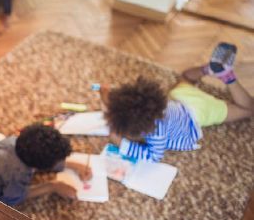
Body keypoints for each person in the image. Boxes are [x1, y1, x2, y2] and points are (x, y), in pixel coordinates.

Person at [100, 42, 253, 163]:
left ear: (142, 132)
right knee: (186, 77)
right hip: (180, 96)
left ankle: (227, 76)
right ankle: (208, 69)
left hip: (199, 111)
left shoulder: (156, 133)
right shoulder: (145, 105)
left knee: (247, 109)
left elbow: (153, 156)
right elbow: (117, 105)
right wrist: (104, 95)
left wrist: (121, 143)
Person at [0, 124, 91, 206]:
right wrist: (52, 186)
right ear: (39, 167)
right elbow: (12, 199)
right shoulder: (18, 173)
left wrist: (72, 165)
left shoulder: (13, 141)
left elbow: (39, 154)